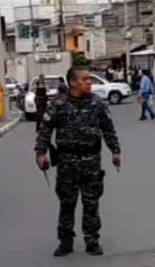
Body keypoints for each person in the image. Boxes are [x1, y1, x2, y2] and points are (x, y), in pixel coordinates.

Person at [35, 67, 121, 256]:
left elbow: (108, 129)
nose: (89, 82)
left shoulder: (97, 104)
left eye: (89, 79)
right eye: (84, 79)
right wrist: (41, 153)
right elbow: (45, 130)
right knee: (67, 203)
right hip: (67, 161)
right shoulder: (58, 105)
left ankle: (92, 240)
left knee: (91, 203)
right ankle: (65, 242)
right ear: (73, 82)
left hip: (91, 160)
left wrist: (115, 151)